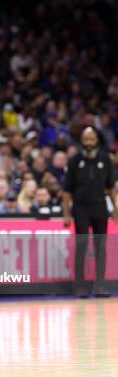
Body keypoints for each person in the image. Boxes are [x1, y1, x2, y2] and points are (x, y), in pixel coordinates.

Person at [63, 127, 117, 297]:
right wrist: (66, 213)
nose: (89, 142)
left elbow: (110, 187)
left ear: (96, 140)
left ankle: (100, 286)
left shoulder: (105, 160)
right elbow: (67, 191)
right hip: (80, 208)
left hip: (100, 207)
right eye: (86, 139)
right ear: (81, 141)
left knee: (101, 248)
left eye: (91, 139)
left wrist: (115, 208)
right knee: (81, 246)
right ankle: (80, 286)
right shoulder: (73, 161)